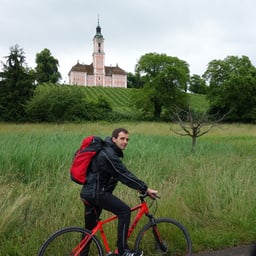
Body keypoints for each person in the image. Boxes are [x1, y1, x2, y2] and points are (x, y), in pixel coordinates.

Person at [80, 128, 158, 256]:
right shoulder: (109, 154)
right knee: (124, 211)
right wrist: (145, 188)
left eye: (127, 139)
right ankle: (123, 250)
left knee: (90, 230)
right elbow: (123, 174)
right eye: (122, 138)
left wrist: (137, 187)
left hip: (89, 193)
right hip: (97, 193)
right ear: (114, 139)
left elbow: (119, 176)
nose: (125, 141)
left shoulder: (107, 152)